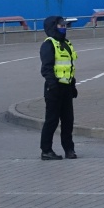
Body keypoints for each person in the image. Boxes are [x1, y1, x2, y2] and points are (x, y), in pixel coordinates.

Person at [39, 15, 78, 160]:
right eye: (61, 26)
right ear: (53, 27)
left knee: (68, 121)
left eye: (65, 26)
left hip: (66, 88)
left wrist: (72, 85)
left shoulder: (66, 43)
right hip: (54, 89)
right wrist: (53, 85)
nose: (64, 28)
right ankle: (46, 150)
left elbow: (69, 67)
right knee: (52, 121)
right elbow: (46, 69)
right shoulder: (49, 45)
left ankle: (69, 149)